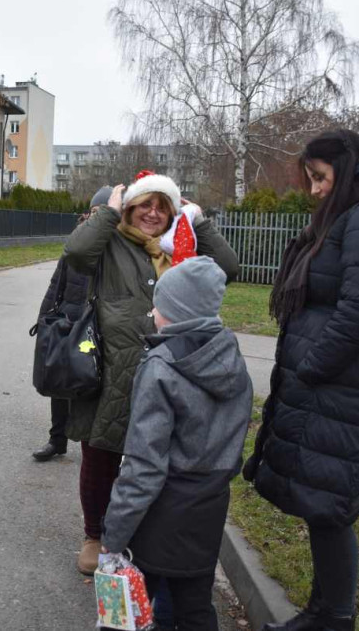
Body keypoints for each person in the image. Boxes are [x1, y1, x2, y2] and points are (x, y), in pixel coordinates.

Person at [243, 131, 359, 631]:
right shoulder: (355, 213)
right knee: (322, 501)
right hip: (333, 380)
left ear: (347, 169)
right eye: (311, 179)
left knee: (331, 504)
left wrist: (313, 366)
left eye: (320, 177)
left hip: (346, 382)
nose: (315, 189)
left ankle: (335, 616)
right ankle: (323, 611)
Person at [62, 172, 239, 576]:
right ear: (129, 209)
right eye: (145, 204)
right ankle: (95, 536)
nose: (154, 213)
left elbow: (227, 268)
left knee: (156, 457)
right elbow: (76, 252)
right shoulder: (109, 242)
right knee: (102, 453)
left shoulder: (181, 246)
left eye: (162, 206)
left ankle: (142, 531)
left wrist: (198, 222)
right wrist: (108, 213)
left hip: (170, 369)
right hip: (114, 367)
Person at [100, 256, 253, 631]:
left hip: (161, 511)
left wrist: (114, 533)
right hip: (208, 507)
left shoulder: (161, 366)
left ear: (178, 313)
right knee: (195, 605)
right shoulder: (230, 355)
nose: (153, 310)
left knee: (129, 610)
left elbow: (144, 464)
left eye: (160, 305)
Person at [31, 185, 112, 462]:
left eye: (103, 211)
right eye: (93, 211)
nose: (96, 217)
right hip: (68, 319)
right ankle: (57, 440)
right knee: (60, 382)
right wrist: (44, 320)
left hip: (99, 327)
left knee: (91, 382)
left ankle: (95, 443)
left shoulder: (116, 245)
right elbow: (57, 282)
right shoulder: (78, 242)